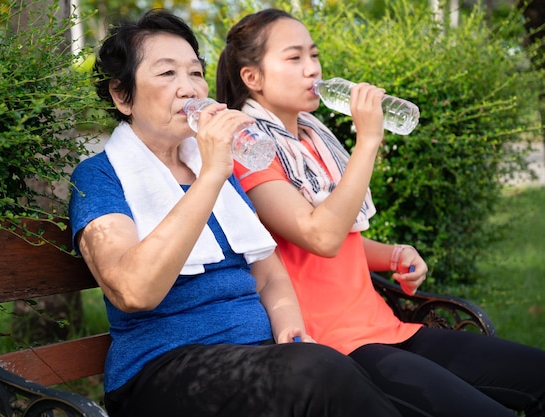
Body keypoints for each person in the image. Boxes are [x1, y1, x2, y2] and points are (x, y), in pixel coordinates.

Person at [68, 9, 405, 417]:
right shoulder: (100, 176)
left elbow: (269, 273)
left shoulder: (212, 167)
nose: (188, 88)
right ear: (122, 96)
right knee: (320, 375)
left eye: (195, 73)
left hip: (257, 356)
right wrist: (211, 176)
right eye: (167, 74)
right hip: (162, 370)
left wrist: (288, 328)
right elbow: (135, 291)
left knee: (339, 371)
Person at [216, 8, 545, 417]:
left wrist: (391, 254)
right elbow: (319, 236)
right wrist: (368, 141)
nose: (312, 69)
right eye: (295, 58)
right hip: (340, 351)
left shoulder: (314, 137)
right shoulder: (249, 150)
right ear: (253, 77)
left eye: (314, 56)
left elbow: (344, 238)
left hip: (387, 328)